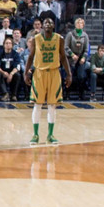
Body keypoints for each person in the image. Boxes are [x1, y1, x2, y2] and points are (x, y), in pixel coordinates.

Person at [24, 16, 70, 145]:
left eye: (50, 22)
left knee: (52, 105)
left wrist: (69, 74)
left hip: (54, 72)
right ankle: (35, 134)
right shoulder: (36, 39)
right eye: (46, 22)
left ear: (54, 26)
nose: (48, 24)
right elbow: (31, 56)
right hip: (39, 73)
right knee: (37, 104)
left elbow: (63, 57)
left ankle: (50, 134)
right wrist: (26, 73)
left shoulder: (59, 39)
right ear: (42, 26)